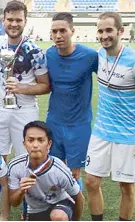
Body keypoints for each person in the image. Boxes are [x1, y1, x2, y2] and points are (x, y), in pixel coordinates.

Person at [85, 12, 135, 221]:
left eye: (109, 30)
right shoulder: (98, 55)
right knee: (91, 181)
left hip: (127, 136)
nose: (104, 35)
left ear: (120, 31)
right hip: (101, 132)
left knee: (126, 186)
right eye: (100, 30)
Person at [0, 0, 50, 161]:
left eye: (18, 20)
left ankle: (21, 187)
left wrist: (21, 88)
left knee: (25, 158)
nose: (14, 24)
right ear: (3, 21)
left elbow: (46, 86)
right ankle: (1, 187)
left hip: (24, 110)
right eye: (10, 20)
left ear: (25, 22)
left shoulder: (34, 50)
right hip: (0, 109)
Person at [45, 12, 98, 190]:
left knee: (74, 173)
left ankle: (74, 209)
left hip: (79, 124)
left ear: (72, 31)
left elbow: (109, 74)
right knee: (54, 168)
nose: (58, 36)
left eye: (62, 31)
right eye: (54, 31)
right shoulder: (49, 54)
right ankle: (54, 207)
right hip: (54, 121)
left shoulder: (90, 56)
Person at [8, 121, 84, 221]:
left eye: (40, 140)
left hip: (61, 203)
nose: (35, 145)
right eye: (30, 140)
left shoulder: (59, 169)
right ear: (24, 144)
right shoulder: (15, 166)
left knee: (58, 216)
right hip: (35, 209)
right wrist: (22, 190)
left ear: (49, 144)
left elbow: (79, 197)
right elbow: (14, 202)